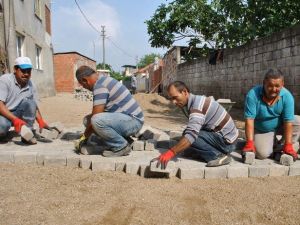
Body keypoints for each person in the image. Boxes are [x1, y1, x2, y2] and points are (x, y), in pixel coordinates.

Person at [154, 81, 239, 168]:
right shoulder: (194, 100)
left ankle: (218, 156)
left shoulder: (197, 107)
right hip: (225, 137)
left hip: (227, 143)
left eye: (175, 97)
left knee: (192, 137)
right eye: (171, 99)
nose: (174, 102)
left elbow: (191, 135)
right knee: (187, 136)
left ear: (185, 92)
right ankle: (202, 151)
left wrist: (171, 153)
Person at [75, 65, 144, 157]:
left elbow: (96, 116)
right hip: (129, 119)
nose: (85, 87)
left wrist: (83, 138)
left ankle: (121, 146)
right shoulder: (102, 79)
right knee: (87, 120)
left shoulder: (99, 86)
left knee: (95, 120)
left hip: (134, 122)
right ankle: (125, 140)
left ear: (85, 80)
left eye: (83, 85)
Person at [243, 68, 299, 162]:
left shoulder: (287, 96)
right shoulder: (252, 95)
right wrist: (249, 143)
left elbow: (288, 121)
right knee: (262, 154)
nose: (274, 89)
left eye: (277, 86)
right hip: (262, 129)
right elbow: (249, 120)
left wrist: (288, 144)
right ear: (264, 83)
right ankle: (279, 148)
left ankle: (286, 147)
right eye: (270, 86)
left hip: (280, 126)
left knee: (298, 121)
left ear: (282, 84)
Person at [0, 57, 49, 144]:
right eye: (23, 71)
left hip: (18, 113)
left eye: (28, 71)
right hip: (4, 114)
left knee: (30, 103)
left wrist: (40, 120)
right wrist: (15, 120)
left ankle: (27, 135)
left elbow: (34, 106)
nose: (26, 74)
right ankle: (3, 134)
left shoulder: (31, 85)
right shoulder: (5, 80)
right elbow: (0, 105)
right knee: (2, 127)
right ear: (15, 69)